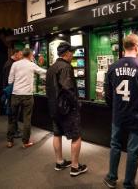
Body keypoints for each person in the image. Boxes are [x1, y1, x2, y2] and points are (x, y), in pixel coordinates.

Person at [103, 34, 138, 189]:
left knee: (115, 146)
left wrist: (115, 108)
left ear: (124, 47)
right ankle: (128, 184)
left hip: (118, 115)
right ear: (137, 47)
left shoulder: (113, 67)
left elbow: (107, 94)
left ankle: (112, 178)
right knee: (133, 151)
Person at [46, 41, 88, 177]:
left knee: (57, 134)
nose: (73, 55)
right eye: (72, 53)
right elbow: (68, 89)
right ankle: (75, 167)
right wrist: (77, 104)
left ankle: (59, 162)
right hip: (66, 109)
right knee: (76, 136)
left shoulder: (51, 67)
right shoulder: (65, 67)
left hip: (54, 108)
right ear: (67, 53)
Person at [7, 48, 46, 148]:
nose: (33, 56)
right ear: (29, 55)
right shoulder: (31, 65)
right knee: (27, 119)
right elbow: (43, 72)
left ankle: (10, 141)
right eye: (32, 55)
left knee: (13, 118)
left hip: (15, 95)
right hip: (27, 96)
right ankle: (25, 142)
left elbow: (10, 81)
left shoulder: (15, 64)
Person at [2, 49, 23, 138]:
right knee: (12, 113)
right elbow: (9, 81)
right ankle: (13, 132)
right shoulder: (10, 64)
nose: (21, 56)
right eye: (20, 54)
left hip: (11, 92)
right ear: (16, 54)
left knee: (13, 113)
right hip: (11, 93)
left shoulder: (11, 63)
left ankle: (14, 130)